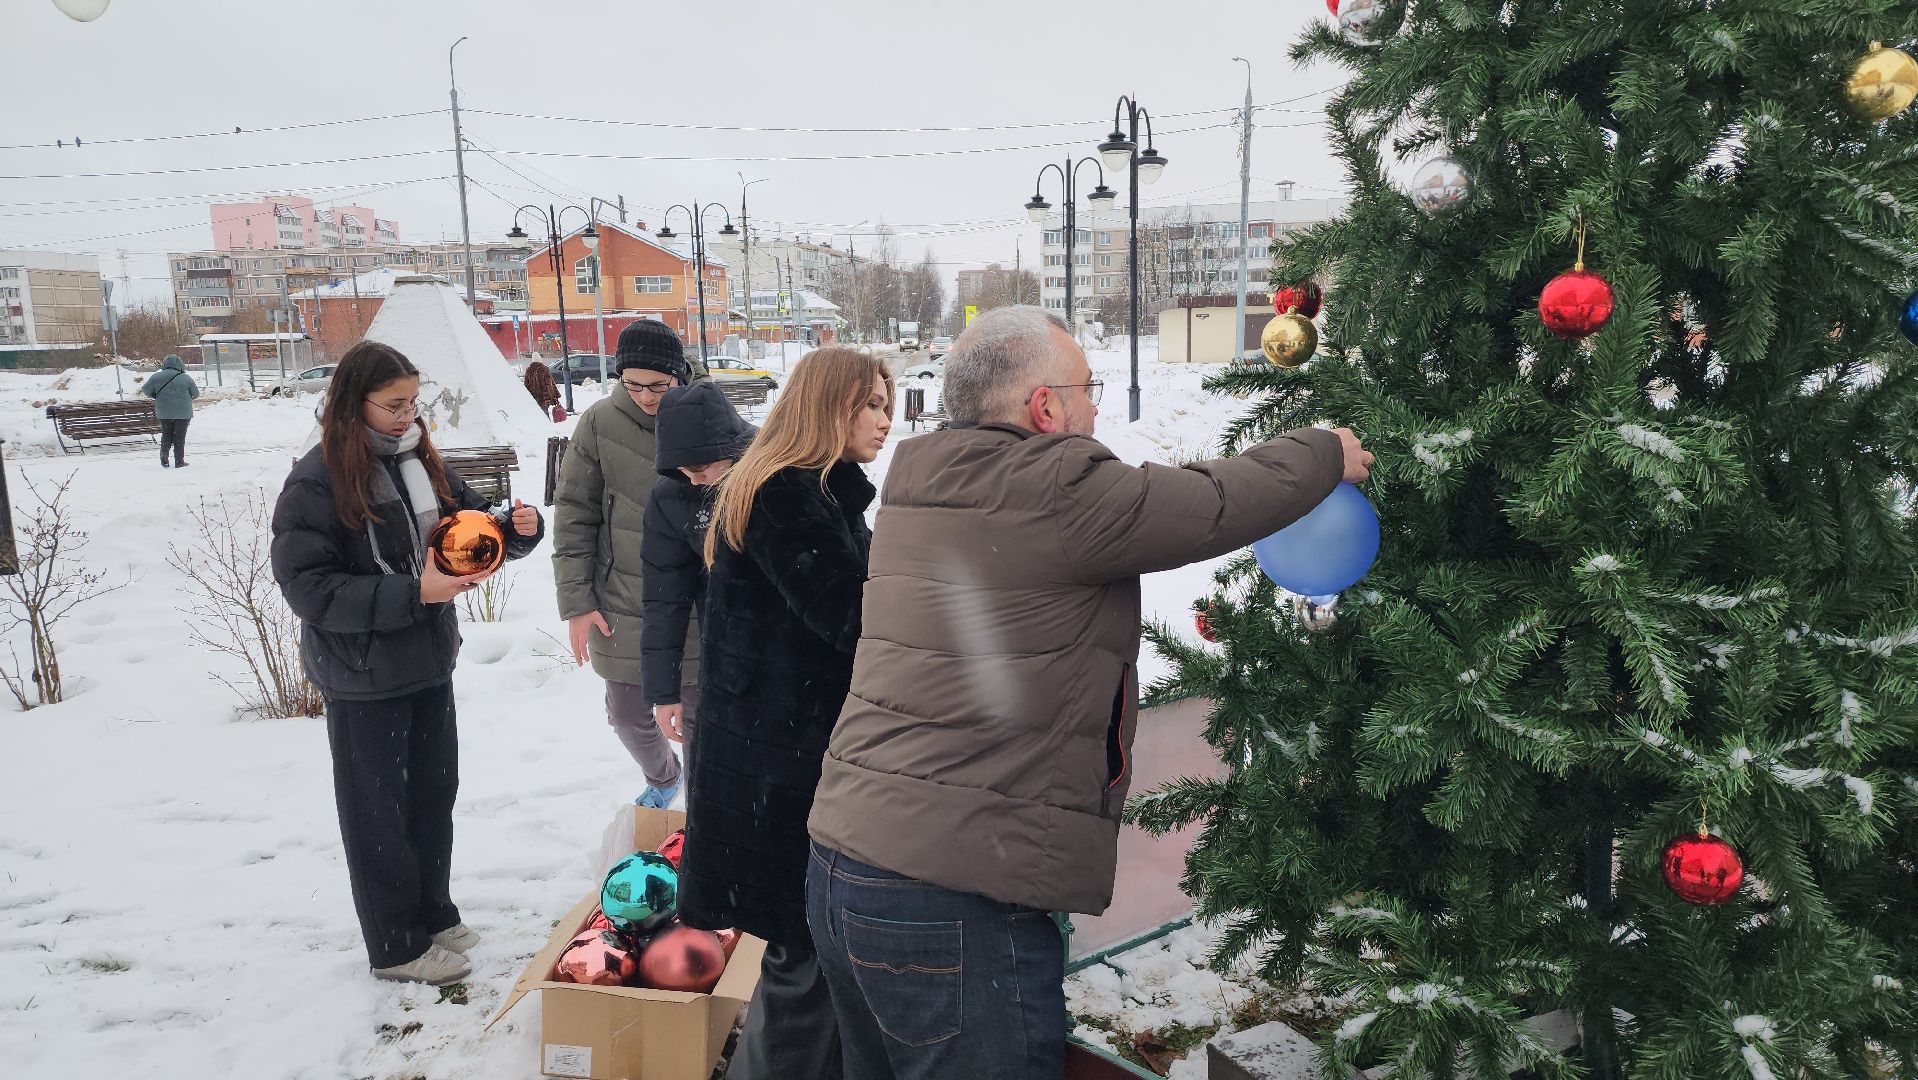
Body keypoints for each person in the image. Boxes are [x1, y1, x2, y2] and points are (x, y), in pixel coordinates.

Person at [805, 306, 1373, 1078]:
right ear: (1044, 407)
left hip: (847, 868)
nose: (1096, 407)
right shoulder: (1056, 487)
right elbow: (1211, 502)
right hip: (956, 897)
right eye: (1086, 388)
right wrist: (1321, 453)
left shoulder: (924, 482)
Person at [270, 340, 545, 986]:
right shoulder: (318, 481)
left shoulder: (419, 462)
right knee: (377, 814)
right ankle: (395, 945)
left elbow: (466, 528)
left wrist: (515, 529)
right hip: (363, 673)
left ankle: (432, 911)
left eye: (412, 402)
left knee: (431, 796)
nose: (407, 416)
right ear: (350, 403)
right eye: (393, 404)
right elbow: (309, 590)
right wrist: (410, 593)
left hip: (425, 660)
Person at [676, 346, 893, 1080]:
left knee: (812, 968)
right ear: (829, 406)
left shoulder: (814, 492)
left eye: (888, 405)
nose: (884, 420)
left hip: (782, 763)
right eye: (871, 404)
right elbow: (849, 614)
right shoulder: (783, 495)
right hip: (780, 773)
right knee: (803, 969)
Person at [551, 319, 693, 807]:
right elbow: (574, 513)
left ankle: (713, 807)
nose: (644, 396)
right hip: (622, 600)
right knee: (628, 714)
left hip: (696, 600)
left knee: (697, 719)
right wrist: (576, 601)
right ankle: (662, 778)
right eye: (631, 384)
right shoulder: (597, 423)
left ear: (680, 375)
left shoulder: (706, 413)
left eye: (657, 385)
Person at [638, 381, 756, 760]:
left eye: (700, 467)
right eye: (681, 469)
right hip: (723, 651)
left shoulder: (775, 476)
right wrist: (663, 692)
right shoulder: (672, 496)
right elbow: (664, 597)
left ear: (728, 449)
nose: (692, 478)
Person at [141, 353, 200, 467]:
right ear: (180, 364)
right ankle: (179, 461)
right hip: (183, 413)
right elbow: (196, 394)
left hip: (164, 412)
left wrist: (156, 395)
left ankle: (164, 456)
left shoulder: (156, 377)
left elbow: (146, 390)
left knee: (166, 434)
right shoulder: (186, 378)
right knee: (179, 436)